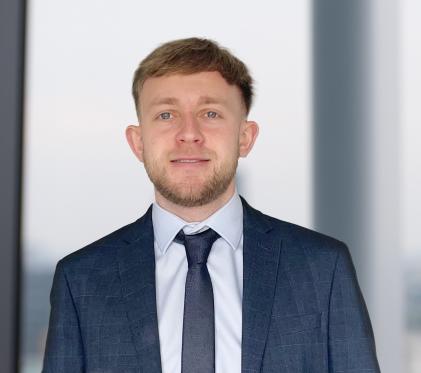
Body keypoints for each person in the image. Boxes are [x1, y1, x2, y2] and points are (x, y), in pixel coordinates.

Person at [42, 37, 380, 373]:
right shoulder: (82, 279)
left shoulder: (321, 268)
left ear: (245, 137)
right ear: (138, 142)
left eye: (210, 113)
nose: (189, 133)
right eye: (166, 114)